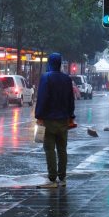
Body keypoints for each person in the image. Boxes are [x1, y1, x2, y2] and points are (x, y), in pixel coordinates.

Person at [35, 52, 75, 188]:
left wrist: (39, 116)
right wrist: (71, 117)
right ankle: (62, 177)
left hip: (48, 120)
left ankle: (52, 178)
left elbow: (42, 98)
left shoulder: (46, 78)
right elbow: (71, 100)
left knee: (49, 149)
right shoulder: (67, 79)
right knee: (62, 149)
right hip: (63, 120)